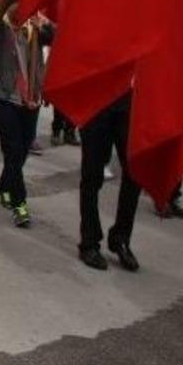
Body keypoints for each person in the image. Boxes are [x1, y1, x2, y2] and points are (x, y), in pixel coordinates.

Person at [0, 0, 53, 228]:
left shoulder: (34, 28)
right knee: (13, 148)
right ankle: (20, 204)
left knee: (23, 149)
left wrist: (44, 22)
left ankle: (4, 184)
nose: (23, 10)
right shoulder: (1, 28)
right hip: (5, 98)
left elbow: (59, 36)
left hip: (31, 99)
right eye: (19, 5)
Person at [77, 93, 142, 272]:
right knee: (91, 176)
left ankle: (121, 238)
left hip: (129, 102)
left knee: (135, 174)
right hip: (95, 102)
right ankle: (89, 242)